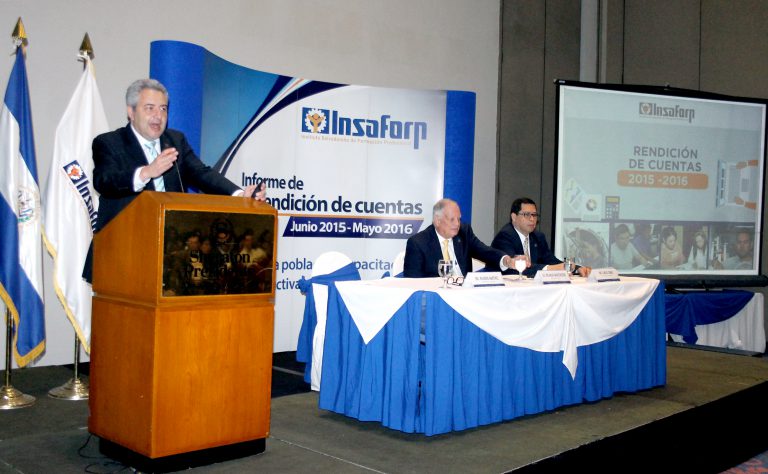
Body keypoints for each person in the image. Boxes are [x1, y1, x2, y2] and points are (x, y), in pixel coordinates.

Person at [83, 78, 266, 282]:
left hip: (169, 258)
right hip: (121, 256)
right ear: (131, 112)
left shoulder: (175, 141)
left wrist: (240, 194)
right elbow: (104, 181)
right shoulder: (109, 143)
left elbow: (202, 173)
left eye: (163, 109)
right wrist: (146, 172)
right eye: (150, 108)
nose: (158, 115)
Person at [403, 198, 516, 278]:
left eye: (459, 219)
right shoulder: (418, 243)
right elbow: (413, 282)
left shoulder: (464, 232)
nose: (457, 224)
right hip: (437, 298)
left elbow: (485, 251)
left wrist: (506, 260)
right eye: (452, 219)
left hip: (465, 295)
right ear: (437, 220)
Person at [492, 197, 591, 278]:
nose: (532, 219)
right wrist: (550, 269)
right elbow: (514, 268)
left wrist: (576, 268)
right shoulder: (505, 237)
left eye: (534, 215)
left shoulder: (538, 237)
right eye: (527, 215)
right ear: (514, 217)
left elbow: (551, 260)